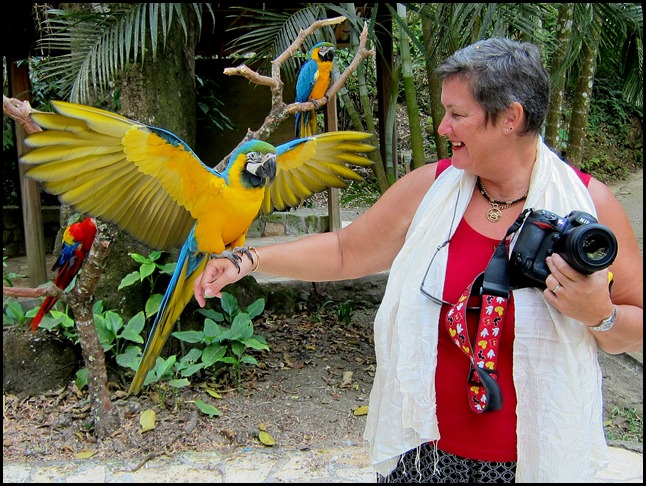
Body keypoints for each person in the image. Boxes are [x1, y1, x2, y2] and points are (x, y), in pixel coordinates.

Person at [193, 37, 643, 483]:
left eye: (458, 114)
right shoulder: (432, 188)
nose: (443, 127)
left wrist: (598, 315)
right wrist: (245, 260)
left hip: (532, 464)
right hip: (421, 456)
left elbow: (636, 322)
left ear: (510, 117)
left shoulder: (588, 207)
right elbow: (347, 250)